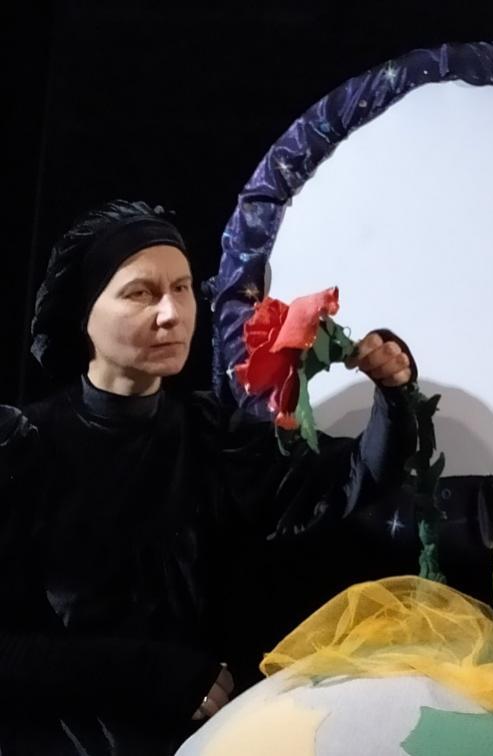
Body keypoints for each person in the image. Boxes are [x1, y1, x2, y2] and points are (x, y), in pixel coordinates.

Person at [0, 200, 419, 754]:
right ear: (84, 312)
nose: (171, 314)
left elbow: (342, 483)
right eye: (140, 293)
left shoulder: (209, 433)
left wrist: (392, 396)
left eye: (181, 289)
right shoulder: (23, 446)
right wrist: (152, 674)